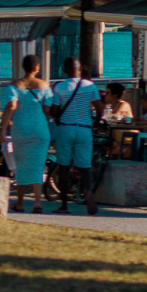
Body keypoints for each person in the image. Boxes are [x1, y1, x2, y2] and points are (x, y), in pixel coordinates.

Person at [0, 54, 52, 214]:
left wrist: (2, 129)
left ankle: (20, 202)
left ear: (23, 67)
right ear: (37, 68)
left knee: (21, 165)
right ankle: (37, 202)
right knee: (38, 166)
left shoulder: (14, 85)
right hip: (40, 128)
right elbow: (47, 109)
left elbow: (11, 106)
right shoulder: (45, 86)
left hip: (21, 128)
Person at [49, 57, 98, 214]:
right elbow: (100, 108)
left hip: (66, 128)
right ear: (80, 68)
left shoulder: (59, 87)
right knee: (85, 167)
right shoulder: (91, 86)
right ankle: (88, 191)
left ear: (65, 70)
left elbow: (55, 110)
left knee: (64, 166)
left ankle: (64, 205)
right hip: (84, 128)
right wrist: (94, 123)